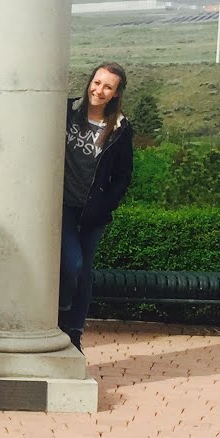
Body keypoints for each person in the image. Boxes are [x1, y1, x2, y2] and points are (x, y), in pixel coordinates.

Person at [58, 62, 136, 351]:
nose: (99, 90)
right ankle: (61, 314)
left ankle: (75, 331)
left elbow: (123, 175)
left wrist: (106, 206)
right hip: (64, 207)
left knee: (84, 270)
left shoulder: (120, 128)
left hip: (93, 213)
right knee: (73, 264)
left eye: (108, 87)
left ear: (116, 94)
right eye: (97, 82)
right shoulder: (67, 111)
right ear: (90, 81)